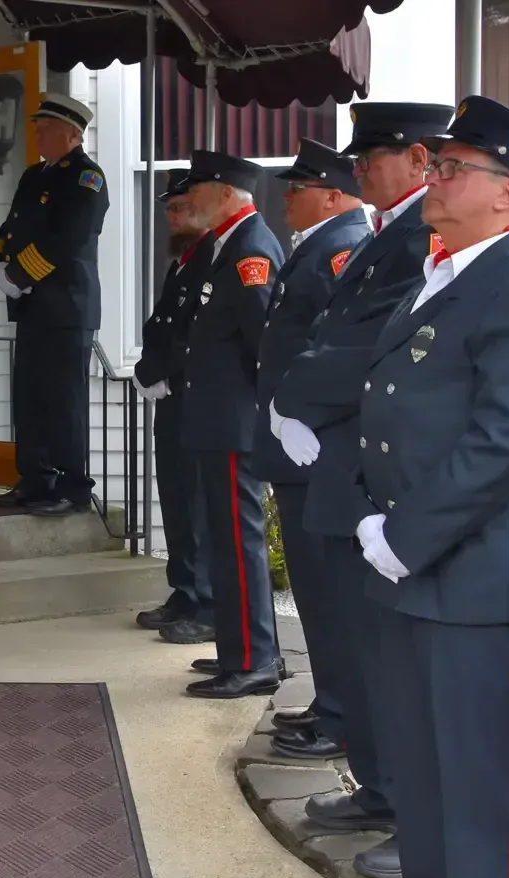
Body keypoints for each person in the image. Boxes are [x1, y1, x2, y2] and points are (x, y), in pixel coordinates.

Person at [356, 95, 509, 878]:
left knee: (482, 788)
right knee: (424, 774)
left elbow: (503, 442)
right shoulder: (443, 279)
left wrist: (401, 537)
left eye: (451, 168)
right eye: (436, 165)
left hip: (477, 581)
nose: (434, 179)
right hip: (415, 575)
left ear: (506, 192)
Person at [270, 101, 455, 878]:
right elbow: (330, 335)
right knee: (357, 644)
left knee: (389, 657)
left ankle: (404, 806)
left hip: (369, 464)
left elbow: (375, 345)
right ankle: (378, 789)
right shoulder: (386, 234)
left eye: (374, 156)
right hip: (345, 461)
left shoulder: (420, 239)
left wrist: (292, 397)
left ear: (417, 160)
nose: (359, 170)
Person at [242, 138, 369, 755]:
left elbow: (330, 345)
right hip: (292, 443)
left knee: (326, 589)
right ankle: (329, 701)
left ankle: (342, 714)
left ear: (334, 195)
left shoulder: (343, 246)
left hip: (312, 446)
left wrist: (298, 411)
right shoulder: (317, 244)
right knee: (313, 590)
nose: (287, 198)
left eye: (298, 189)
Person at [165, 150, 284, 699]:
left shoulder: (251, 248)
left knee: (239, 543)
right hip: (215, 418)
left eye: (199, 189)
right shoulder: (225, 244)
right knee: (223, 542)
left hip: (235, 420)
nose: (191, 199)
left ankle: (256, 659)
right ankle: (238, 649)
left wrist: (259, 412)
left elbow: (264, 343)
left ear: (226, 192)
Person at [0, 92, 110, 517]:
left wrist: (20, 275)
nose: (38, 136)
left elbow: (69, 238)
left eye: (46, 129)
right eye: (37, 128)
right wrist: (0, 267)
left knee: (64, 401)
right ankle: (35, 479)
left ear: (73, 134)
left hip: (66, 307)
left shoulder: (86, 178)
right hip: (32, 306)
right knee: (30, 396)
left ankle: (73, 487)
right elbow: (10, 227)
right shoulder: (32, 176)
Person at [133, 171, 216, 636]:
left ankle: (204, 599)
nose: (173, 216)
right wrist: (148, 368)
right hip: (171, 397)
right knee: (176, 498)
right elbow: (163, 324)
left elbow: (199, 331)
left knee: (197, 502)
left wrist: (163, 371)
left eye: (181, 207)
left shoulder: (213, 257)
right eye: (169, 209)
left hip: (194, 395)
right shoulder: (183, 260)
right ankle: (184, 589)